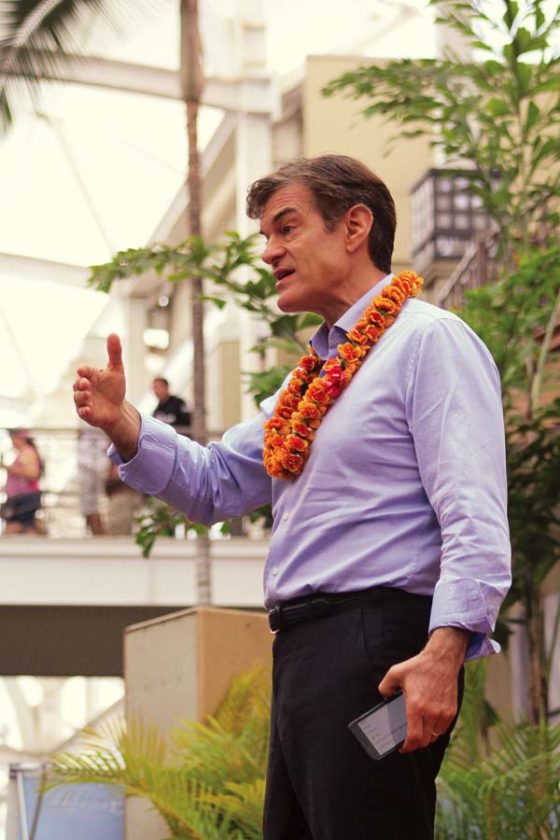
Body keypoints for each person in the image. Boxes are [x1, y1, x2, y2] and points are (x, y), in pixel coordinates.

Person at [73, 154, 511, 840]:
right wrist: (124, 424)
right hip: (301, 651)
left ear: (354, 227)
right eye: (266, 236)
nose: (270, 252)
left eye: (286, 227)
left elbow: (474, 513)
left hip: (378, 646)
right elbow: (216, 483)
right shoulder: (310, 380)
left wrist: (445, 650)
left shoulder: (428, 341)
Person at [1, 429, 43, 535]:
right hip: (20, 496)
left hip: (24, 497)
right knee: (26, 527)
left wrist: (9, 468)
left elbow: (33, 473)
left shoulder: (27, 453)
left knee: (16, 527)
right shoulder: (21, 453)